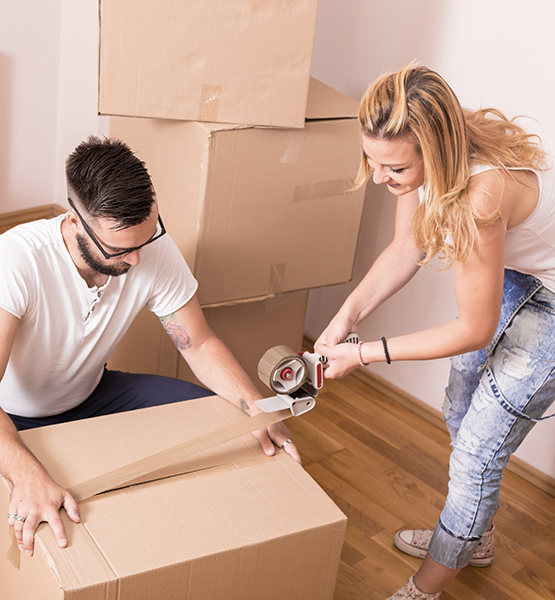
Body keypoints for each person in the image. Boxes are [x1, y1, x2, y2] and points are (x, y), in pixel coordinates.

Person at [315, 64, 555, 599]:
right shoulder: (422, 160)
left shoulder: (481, 197)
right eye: (371, 161)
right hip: (524, 275)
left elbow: (473, 328)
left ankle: (422, 591)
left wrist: (364, 355)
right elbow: (406, 247)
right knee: (458, 405)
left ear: (433, 147)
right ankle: (478, 536)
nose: (380, 178)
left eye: (393, 168)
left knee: (475, 453)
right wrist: (346, 317)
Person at [0, 136, 300, 558]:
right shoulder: (17, 259)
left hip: (95, 394)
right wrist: (26, 474)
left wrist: (255, 407)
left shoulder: (149, 247)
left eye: (147, 239)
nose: (138, 260)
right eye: (122, 249)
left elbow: (198, 342)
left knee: (221, 425)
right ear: (74, 221)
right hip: (14, 417)